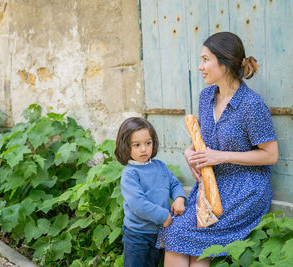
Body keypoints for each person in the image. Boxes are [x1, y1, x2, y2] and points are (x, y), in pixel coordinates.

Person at [159, 32, 279, 267]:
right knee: (176, 231)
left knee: (198, 239)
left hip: (246, 188)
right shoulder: (206, 96)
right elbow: (203, 137)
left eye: (205, 59)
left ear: (223, 63)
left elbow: (271, 155)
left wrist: (221, 156)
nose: (200, 66)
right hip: (212, 182)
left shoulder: (251, 104)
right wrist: (189, 151)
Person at [115, 117, 187, 267]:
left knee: (152, 264)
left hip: (158, 231)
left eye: (148, 143)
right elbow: (138, 204)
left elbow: (174, 184)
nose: (143, 149)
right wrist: (163, 216)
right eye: (136, 145)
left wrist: (179, 198)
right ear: (125, 147)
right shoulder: (130, 174)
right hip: (137, 234)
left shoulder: (160, 166)